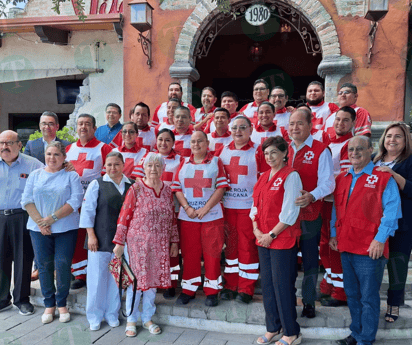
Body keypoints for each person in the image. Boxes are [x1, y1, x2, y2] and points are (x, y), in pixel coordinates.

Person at [332, 136, 401, 345]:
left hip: (370, 249)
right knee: (352, 295)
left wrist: (380, 240)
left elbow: (392, 211)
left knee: (368, 298)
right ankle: (356, 333)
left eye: (359, 148)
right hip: (346, 245)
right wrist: (333, 234)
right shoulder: (342, 178)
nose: (354, 152)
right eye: (351, 149)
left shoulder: (382, 178)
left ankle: (366, 339)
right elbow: (336, 209)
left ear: (370, 149)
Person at [113, 152, 179, 337]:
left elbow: (172, 218)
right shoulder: (136, 188)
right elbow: (124, 216)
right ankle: (132, 319)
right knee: (136, 282)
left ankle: (148, 317)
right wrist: (119, 242)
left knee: (152, 282)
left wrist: (174, 240)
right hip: (137, 243)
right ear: (144, 168)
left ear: (163, 168)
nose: (153, 169)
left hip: (160, 243)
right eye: (150, 166)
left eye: (157, 166)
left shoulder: (167, 189)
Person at [21, 142, 83, 324]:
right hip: (38, 229)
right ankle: (49, 304)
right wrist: (41, 222)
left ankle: (62, 303)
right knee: (44, 265)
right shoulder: (35, 175)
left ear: (64, 157)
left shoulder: (71, 175)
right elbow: (26, 199)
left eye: (57, 154)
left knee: (62, 265)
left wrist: (51, 219)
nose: (52, 158)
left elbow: (75, 201)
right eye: (49, 154)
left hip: (65, 229)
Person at [252, 136, 303, 345]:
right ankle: (273, 327)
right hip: (262, 239)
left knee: (282, 285)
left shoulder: (291, 176)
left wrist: (270, 235)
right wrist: (256, 230)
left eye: (274, 152)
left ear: (284, 153)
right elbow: (254, 206)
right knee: (268, 286)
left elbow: (290, 212)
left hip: (281, 240)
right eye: (266, 153)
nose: (269, 157)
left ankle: (291, 332)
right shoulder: (263, 176)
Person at [172, 131, 229, 306]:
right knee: (190, 254)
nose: (196, 145)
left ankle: (212, 291)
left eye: (200, 141)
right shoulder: (183, 163)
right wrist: (187, 207)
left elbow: (221, 188)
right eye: (193, 141)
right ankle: (189, 289)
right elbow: (177, 189)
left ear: (207, 143)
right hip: (188, 216)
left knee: (212, 254)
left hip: (211, 216)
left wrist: (206, 208)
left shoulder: (216, 161)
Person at [288, 107, 335, 318]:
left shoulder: (320, 150)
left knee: (309, 262)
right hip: (285, 217)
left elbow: (328, 183)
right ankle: (288, 299)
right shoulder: (283, 148)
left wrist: (312, 195)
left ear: (310, 126)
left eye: (299, 123)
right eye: (291, 124)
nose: (295, 127)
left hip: (310, 215)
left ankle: (308, 302)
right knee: (286, 260)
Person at [215, 116, 268, 304]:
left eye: (242, 127)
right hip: (228, 207)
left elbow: (264, 179)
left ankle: (246, 288)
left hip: (248, 208)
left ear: (251, 129)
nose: (238, 131)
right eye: (235, 127)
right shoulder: (222, 150)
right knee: (230, 248)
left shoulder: (258, 151)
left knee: (247, 249)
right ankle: (230, 285)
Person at [80, 152, 134, 331]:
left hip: (123, 242)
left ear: (123, 164)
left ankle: (112, 313)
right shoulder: (97, 184)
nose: (113, 168)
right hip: (100, 238)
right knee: (96, 279)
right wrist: (91, 235)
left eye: (116, 164)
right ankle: (94, 316)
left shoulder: (132, 185)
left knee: (115, 280)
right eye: (109, 164)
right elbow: (88, 211)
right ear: (105, 166)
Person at [66, 114, 112, 289]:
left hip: (96, 203)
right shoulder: (69, 149)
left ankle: (98, 273)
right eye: (80, 124)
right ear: (76, 128)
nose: (83, 127)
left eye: (87, 124)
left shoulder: (104, 148)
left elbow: (109, 173)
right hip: (74, 203)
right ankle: (79, 274)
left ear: (94, 129)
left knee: (95, 238)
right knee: (77, 239)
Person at [0, 130, 44, 315]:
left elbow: (50, 174)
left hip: (23, 216)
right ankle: (3, 299)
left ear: (19, 145)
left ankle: (22, 299)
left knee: (23, 258)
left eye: (9, 143)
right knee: (1, 259)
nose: (4, 147)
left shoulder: (33, 165)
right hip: (0, 216)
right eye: (1, 143)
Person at [24, 111, 71, 281]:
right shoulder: (32, 145)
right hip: (39, 196)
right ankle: (39, 267)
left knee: (61, 236)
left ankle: (59, 270)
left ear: (57, 126)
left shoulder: (67, 144)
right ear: (39, 126)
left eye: (51, 123)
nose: (47, 127)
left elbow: (70, 165)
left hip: (60, 194)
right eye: (43, 123)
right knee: (39, 235)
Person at [372, 122, 412, 323]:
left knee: (397, 265)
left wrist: (394, 175)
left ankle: (394, 304)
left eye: (398, 136)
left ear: (405, 141)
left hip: (402, 223)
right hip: (374, 223)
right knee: (373, 264)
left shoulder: (410, 161)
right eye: (389, 136)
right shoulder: (374, 159)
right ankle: (370, 303)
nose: (392, 140)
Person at [319, 107, 355, 307]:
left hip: (338, 203)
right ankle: (330, 283)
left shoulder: (351, 144)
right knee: (325, 245)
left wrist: (321, 182)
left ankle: (341, 292)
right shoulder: (329, 143)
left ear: (353, 123)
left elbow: (345, 177)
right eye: (337, 120)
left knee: (336, 245)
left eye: (345, 120)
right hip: (325, 200)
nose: (340, 123)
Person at [154, 128, 184, 299]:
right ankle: (158, 280)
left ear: (173, 143)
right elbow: (139, 180)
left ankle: (171, 283)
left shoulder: (182, 160)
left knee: (173, 249)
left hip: (175, 210)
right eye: (160, 140)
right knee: (158, 248)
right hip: (154, 213)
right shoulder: (148, 158)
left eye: (167, 140)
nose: (163, 143)